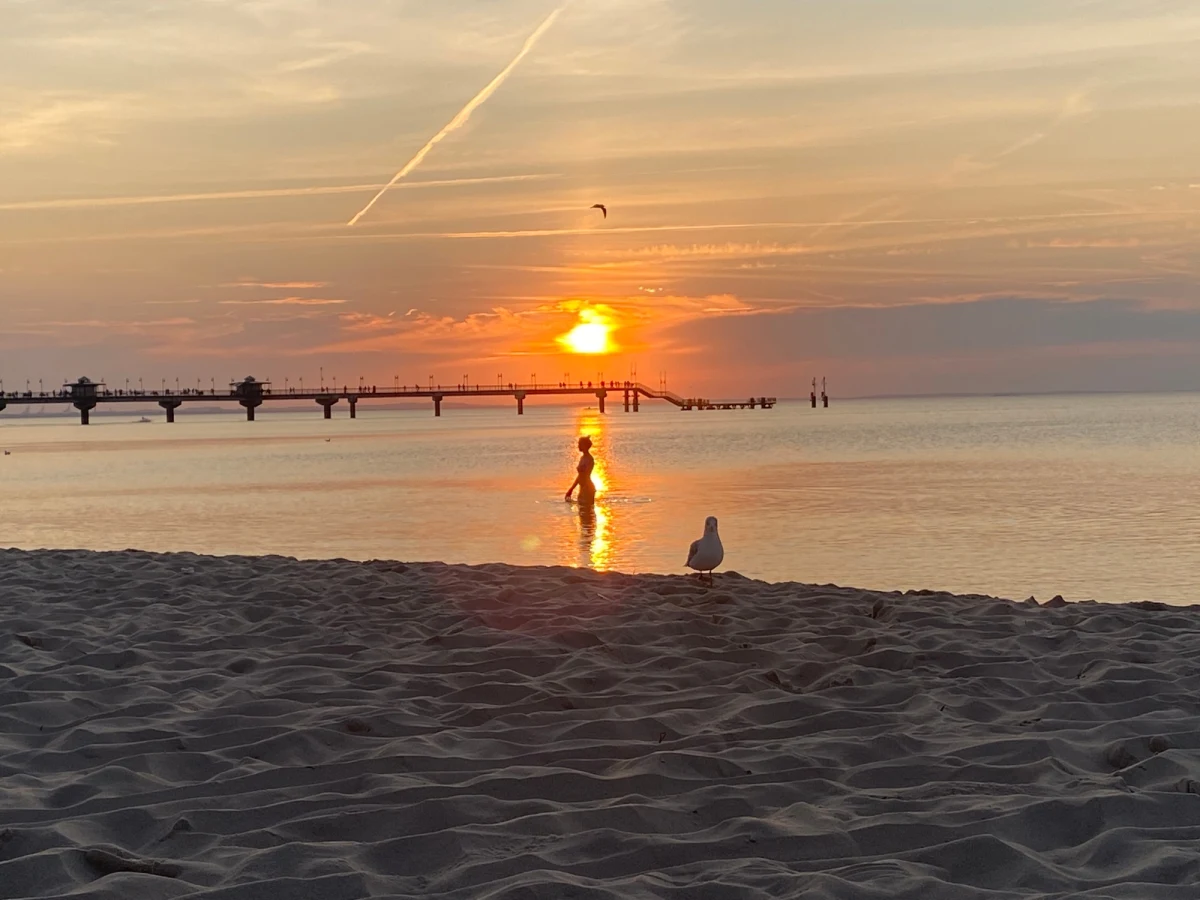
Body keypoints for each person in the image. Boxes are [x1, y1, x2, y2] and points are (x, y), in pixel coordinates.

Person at [565, 436, 596, 507]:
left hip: (588, 488)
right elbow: (579, 476)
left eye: (579, 444)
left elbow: (584, 475)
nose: (578, 446)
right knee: (582, 513)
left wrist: (572, 489)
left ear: (584, 445)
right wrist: (571, 489)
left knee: (587, 512)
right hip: (582, 487)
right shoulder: (582, 458)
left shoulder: (590, 459)